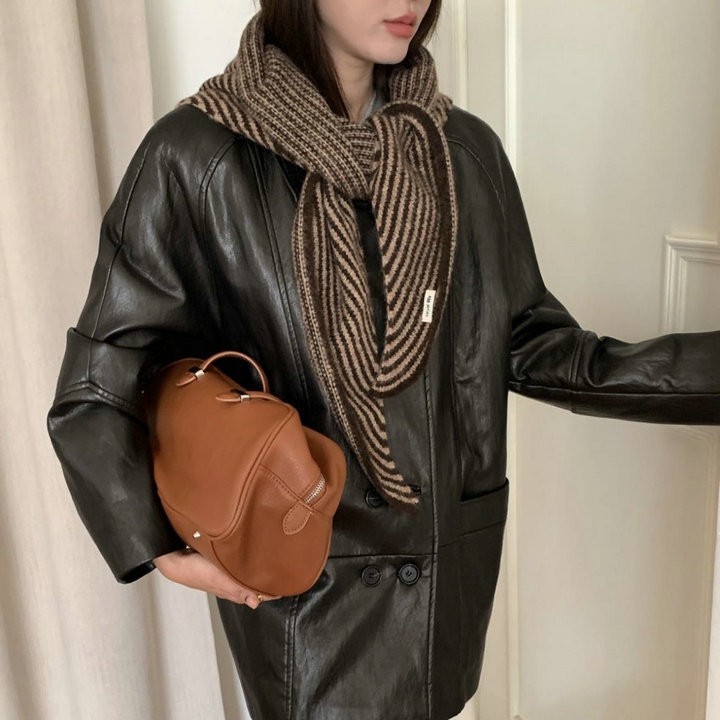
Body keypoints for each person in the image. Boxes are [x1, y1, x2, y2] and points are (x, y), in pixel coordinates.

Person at [46, 1, 720, 718]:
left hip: (440, 592)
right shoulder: (197, 156)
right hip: (305, 596)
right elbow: (99, 380)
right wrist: (154, 542)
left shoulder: (464, 153)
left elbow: (530, 341)